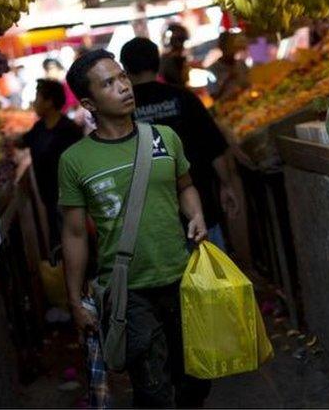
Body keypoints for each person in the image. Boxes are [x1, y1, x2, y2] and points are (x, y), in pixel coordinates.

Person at [58, 50, 210, 408]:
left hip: (180, 277)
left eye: (122, 77)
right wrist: (75, 300)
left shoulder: (164, 138)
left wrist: (197, 214)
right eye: (108, 83)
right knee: (153, 388)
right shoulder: (75, 161)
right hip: (127, 292)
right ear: (87, 102)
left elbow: (185, 184)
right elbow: (75, 234)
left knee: (195, 381)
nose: (124, 86)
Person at [119, 37, 241, 249]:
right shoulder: (183, 98)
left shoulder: (121, 111)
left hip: (151, 221)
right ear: (157, 63)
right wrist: (227, 184)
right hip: (201, 209)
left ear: (125, 69)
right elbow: (213, 146)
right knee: (213, 277)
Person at [16, 79, 83, 258]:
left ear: (49, 101)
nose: (34, 102)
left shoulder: (69, 130)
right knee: (59, 245)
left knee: (75, 246)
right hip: (50, 200)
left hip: (71, 201)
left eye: (38, 97)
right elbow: (22, 142)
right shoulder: (39, 128)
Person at [208, 31, 250, 100]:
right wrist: (228, 79)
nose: (232, 51)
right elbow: (214, 96)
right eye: (229, 47)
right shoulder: (213, 70)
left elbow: (248, 85)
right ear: (222, 48)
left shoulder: (241, 64)